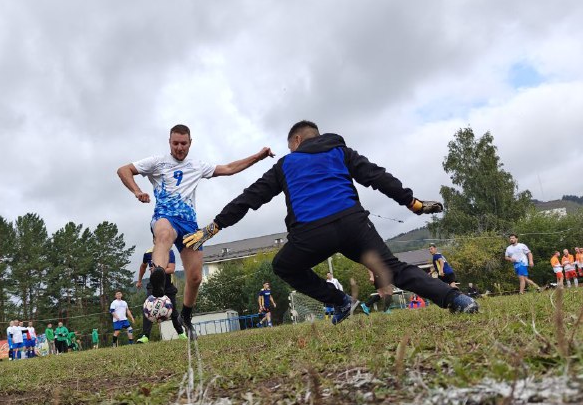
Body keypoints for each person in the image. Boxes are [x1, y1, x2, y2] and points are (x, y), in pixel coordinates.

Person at [183, 120, 479, 323]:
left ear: (297, 141)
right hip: (354, 226)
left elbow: (250, 197)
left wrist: (213, 228)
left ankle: (339, 301)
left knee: (284, 266)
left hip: (311, 234)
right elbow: (376, 177)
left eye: (290, 146)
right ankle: (458, 301)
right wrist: (412, 202)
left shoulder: (286, 164)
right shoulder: (341, 152)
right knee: (393, 269)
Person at [117, 123, 274, 340]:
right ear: (169, 142)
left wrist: (258, 156)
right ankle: (158, 278)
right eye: (175, 143)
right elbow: (124, 170)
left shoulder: (197, 165)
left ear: (190, 143)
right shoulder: (157, 162)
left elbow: (228, 169)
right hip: (165, 217)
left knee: (195, 277)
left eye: (183, 143)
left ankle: (186, 317)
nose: (179, 148)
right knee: (163, 234)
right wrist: (137, 191)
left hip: (190, 227)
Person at [135, 246, 187, 343]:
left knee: (174, 311)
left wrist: (158, 270)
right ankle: (145, 336)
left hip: (167, 286)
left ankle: (181, 333)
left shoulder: (169, 252)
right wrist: (139, 281)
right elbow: (143, 266)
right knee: (147, 308)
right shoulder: (148, 253)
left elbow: (171, 269)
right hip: (154, 285)